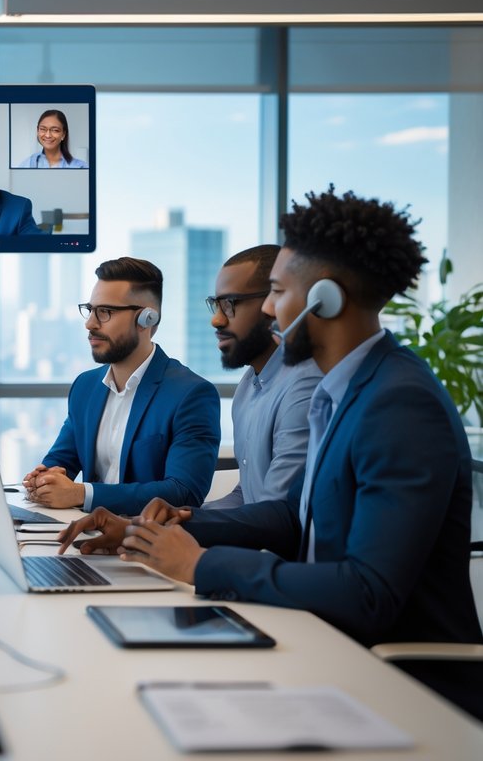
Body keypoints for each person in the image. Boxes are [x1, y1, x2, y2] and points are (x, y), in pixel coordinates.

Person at [56, 188, 482, 716]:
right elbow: (290, 516)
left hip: (398, 685)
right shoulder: (344, 388)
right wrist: (154, 529)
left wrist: (202, 565)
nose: (273, 309)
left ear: (325, 298)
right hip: (326, 646)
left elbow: (370, 593)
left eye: (278, 291)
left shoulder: (397, 403)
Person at [23, 257, 220, 515]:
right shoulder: (86, 386)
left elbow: (184, 492)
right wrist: (44, 478)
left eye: (105, 312)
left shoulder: (190, 395)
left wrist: (82, 493)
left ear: (146, 319)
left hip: (146, 543)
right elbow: (60, 462)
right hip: (83, 534)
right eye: (90, 309)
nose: (90, 323)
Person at [204, 245, 320, 508]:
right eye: (216, 305)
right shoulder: (248, 385)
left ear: (274, 303)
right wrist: (177, 519)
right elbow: (247, 494)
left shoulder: (305, 387)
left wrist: (187, 529)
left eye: (229, 304)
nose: (217, 320)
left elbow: (275, 512)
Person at [20, 109, 88, 169]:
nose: (48, 135)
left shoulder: (80, 167)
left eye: (55, 130)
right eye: (43, 129)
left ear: (63, 134)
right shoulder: (27, 164)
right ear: (37, 131)